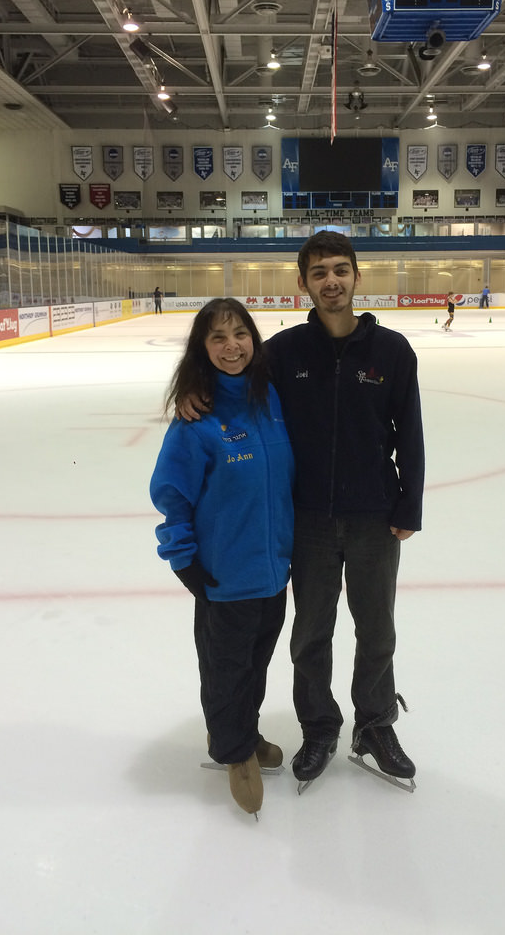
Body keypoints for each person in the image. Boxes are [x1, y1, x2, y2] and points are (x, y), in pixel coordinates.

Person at [179, 233, 425, 790]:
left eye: (341, 270)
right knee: (311, 632)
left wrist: (409, 501)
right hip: (307, 519)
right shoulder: (285, 354)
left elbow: (408, 432)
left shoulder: (392, 351)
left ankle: (376, 724)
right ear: (303, 283)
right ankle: (319, 726)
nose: (331, 281)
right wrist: (192, 392)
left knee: (376, 630)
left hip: (373, 517)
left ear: (357, 277)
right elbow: (233, 380)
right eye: (320, 273)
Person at [150, 298, 294, 817]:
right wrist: (183, 558)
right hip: (224, 576)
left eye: (240, 335)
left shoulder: (272, 398)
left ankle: (245, 732)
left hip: (274, 572)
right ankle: (233, 752)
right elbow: (171, 493)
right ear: (201, 348)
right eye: (217, 338)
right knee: (225, 670)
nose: (231, 347)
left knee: (255, 667)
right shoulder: (198, 419)